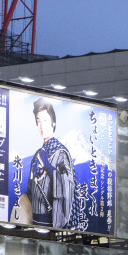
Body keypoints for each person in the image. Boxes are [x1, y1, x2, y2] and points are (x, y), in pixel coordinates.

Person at [29, 98, 76, 229]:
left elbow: (67, 184)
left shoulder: (61, 152)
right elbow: (30, 186)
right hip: (34, 218)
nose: (41, 125)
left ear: (53, 122)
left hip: (51, 219)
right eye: (38, 121)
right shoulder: (38, 153)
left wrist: (49, 167)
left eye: (45, 120)